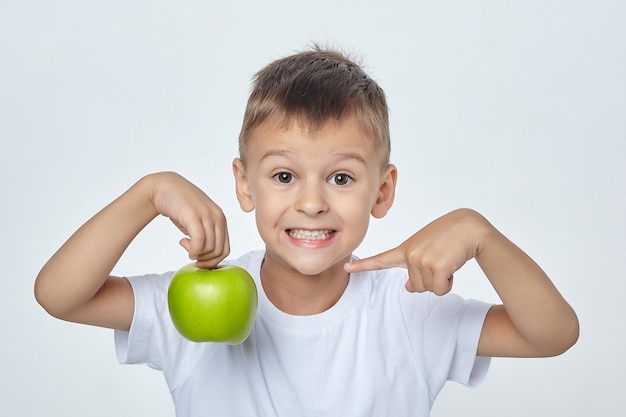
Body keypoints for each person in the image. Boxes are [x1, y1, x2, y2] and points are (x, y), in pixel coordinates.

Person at [35, 47, 579, 417]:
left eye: (341, 177)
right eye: (284, 175)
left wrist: (480, 233)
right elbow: (58, 295)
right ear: (244, 186)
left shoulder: (410, 310)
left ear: (382, 192)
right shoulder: (187, 306)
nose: (313, 202)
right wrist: (148, 193)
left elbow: (552, 335)